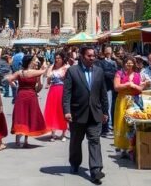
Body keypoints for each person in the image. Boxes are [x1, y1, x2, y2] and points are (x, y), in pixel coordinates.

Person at [63, 46, 109, 185]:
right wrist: (67, 110)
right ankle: (75, 163)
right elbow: (67, 93)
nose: (92, 58)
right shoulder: (72, 71)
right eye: (89, 56)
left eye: (94, 55)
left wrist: (105, 112)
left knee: (95, 141)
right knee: (76, 141)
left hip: (95, 113)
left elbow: (103, 93)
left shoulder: (99, 71)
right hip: (77, 113)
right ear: (82, 56)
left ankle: (95, 171)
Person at [8, 55, 48, 146]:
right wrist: (44, 64)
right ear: (30, 62)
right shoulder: (35, 72)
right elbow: (41, 84)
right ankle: (26, 140)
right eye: (34, 60)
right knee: (29, 116)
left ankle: (17, 140)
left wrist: (16, 86)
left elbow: (9, 79)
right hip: (31, 95)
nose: (36, 61)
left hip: (21, 95)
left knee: (20, 116)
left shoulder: (20, 72)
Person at [112, 56, 142, 156]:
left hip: (134, 101)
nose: (129, 65)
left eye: (131, 63)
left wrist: (135, 86)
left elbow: (140, 89)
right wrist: (128, 84)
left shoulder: (138, 75)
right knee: (121, 122)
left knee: (132, 123)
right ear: (124, 64)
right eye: (127, 63)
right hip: (122, 100)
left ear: (134, 64)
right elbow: (116, 87)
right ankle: (121, 147)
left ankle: (131, 147)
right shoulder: (119, 74)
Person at [43, 51, 70, 141]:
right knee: (53, 110)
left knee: (62, 110)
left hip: (62, 89)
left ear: (63, 59)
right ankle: (53, 132)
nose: (57, 59)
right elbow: (48, 76)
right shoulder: (52, 66)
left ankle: (63, 133)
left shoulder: (66, 67)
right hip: (53, 90)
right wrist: (48, 82)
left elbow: (67, 78)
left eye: (59, 58)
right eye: (56, 58)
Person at [99, 46, 118, 137]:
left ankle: (109, 126)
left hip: (112, 87)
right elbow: (102, 73)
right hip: (105, 87)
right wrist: (112, 74)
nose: (108, 51)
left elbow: (117, 73)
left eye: (109, 50)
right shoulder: (101, 62)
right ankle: (106, 127)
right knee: (106, 107)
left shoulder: (115, 62)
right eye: (107, 50)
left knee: (110, 107)